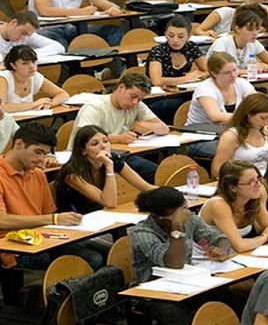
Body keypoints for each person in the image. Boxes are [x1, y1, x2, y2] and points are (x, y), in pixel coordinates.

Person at [130, 187, 230, 325]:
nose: (185, 215)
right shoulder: (142, 233)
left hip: (187, 284)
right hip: (150, 292)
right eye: (177, 214)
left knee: (228, 302)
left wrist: (220, 248)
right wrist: (177, 228)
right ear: (157, 217)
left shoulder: (189, 218)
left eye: (184, 209)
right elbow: (173, 263)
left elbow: (218, 237)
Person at [0, 122, 82, 305]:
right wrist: (53, 219)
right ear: (19, 144)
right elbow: (1, 221)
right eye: (38, 152)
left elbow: (49, 213)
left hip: (43, 237)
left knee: (101, 250)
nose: (42, 159)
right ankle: (64, 317)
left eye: (46, 153)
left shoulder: (37, 174)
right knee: (90, 258)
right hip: (13, 246)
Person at [67, 72, 169, 183]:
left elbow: (164, 128)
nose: (135, 102)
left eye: (140, 99)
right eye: (133, 96)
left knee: (160, 173)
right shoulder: (94, 108)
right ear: (121, 88)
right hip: (90, 159)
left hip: (120, 155)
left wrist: (146, 126)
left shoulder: (136, 105)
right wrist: (118, 138)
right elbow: (86, 140)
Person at [199, 160, 268, 253]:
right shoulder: (218, 205)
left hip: (231, 257)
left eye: (258, 179)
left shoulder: (253, 199)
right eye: (251, 182)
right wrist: (265, 236)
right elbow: (239, 246)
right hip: (205, 261)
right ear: (232, 187)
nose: (258, 185)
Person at [55, 125, 155, 214]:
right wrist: (109, 166)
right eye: (95, 144)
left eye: (105, 141)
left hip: (100, 215)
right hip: (76, 221)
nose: (103, 146)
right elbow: (109, 202)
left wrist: (169, 192)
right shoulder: (72, 173)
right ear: (83, 151)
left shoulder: (113, 158)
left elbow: (145, 187)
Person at [28, 0, 124, 51]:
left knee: (114, 31)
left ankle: (116, 68)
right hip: (45, 28)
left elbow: (104, 3)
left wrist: (113, 8)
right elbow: (45, 10)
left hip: (69, 27)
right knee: (61, 45)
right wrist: (81, 12)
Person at [185, 51, 255, 158]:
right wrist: (245, 117)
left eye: (235, 70)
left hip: (230, 134)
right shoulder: (205, 88)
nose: (233, 75)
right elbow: (215, 116)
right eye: (227, 73)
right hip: (201, 137)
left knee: (260, 149)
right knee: (241, 153)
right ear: (214, 73)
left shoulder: (241, 83)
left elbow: (258, 104)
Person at [211, 93, 268, 177]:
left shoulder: (264, 131)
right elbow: (217, 170)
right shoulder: (231, 136)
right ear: (248, 114)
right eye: (263, 118)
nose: (267, 122)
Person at [207, 9, 268, 73]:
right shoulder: (222, 42)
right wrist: (247, 70)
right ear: (237, 29)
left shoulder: (254, 42)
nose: (255, 33)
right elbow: (217, 70)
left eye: (257, 29)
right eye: (250, 29)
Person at [0, 45, 69, 113]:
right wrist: (34, 104)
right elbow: (3, 107)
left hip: (26, 120)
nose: (32, 66)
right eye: (25, 63)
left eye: (33, 62)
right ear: (13, 65)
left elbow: (63, 94)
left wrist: (51, 103)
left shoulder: (35, 76)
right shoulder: (3, 78)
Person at [147, 15, 207, 88]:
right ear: (165, 35)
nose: (175, 40)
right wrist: (185, 79)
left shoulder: (191, 47)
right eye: (171, 35)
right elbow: (156, 81)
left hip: (184, 89)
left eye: (181, 36)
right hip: (161, 94)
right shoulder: (157, 51)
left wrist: (199, 75)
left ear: (188, 36)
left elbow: (209, 71)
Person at [0, 10, 64, 58]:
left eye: (27, 35)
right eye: (23, 33)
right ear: (14, 23)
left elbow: (58, 47)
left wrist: (27, 55)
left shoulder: (26, 35)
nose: (22, 38)